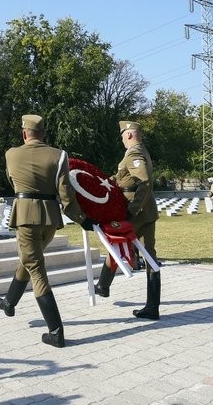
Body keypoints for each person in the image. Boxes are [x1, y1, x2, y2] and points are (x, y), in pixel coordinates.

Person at [0, 114, 96, 348]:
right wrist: (82, 219)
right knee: (30, 260)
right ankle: (9, 302)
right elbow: (65, 194)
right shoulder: (59, 155)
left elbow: (13, 182)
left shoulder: (11, 154)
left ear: (24, 133)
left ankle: (56, 331)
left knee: (36, 268)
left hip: (26, 216)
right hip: (50, 217)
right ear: (44, 133)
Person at [94, 120, 161, 320]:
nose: (122, 139)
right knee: (149, 256)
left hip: (137, 211)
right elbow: (126, 177)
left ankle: (104, 285)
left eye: (123, 135)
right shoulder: (142, 151)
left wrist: (132, 209)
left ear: (129, 135)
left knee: (116, 244)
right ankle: (152, 305)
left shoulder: (134, 153)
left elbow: (144, 182)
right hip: (147, 211)